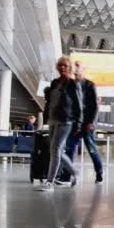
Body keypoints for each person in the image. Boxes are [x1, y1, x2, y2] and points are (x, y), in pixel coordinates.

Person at [41, 56, 82, 190]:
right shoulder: (54, 83)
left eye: (65, 65)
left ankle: (49, 182)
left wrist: (79, 123)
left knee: (55, 149)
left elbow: (78, 105)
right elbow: (50, 102)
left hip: (66, 121)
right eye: (60, 65)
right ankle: (74, 173)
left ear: (69, 67)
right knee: (55, 150)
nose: (62, 68)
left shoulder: (73, 84)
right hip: (53, 119)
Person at [62, 60, 104, 184]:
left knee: (91, 149)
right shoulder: (69, 85)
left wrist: (91, 121)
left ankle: (99, 173)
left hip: (87, 123)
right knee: (69, 149)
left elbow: (95, 106)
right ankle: (66, 176)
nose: (75, 68)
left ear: (83, 70)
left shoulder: (90, 85)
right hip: (74, 124)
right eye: (74, 65)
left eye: (78, 66)